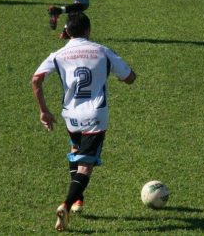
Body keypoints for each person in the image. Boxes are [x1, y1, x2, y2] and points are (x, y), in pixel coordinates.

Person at [31, 12, 137, 231]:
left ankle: (78, 199)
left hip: (70, 115)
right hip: (95, 116)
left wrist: (43, 111)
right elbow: (129, 78)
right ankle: (67, 204)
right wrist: (120, 74)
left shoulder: (58, 54)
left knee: (76, 149)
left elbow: (36, 79)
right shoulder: (102, 51)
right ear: (89, 30)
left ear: (67, 32)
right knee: (86, 166)